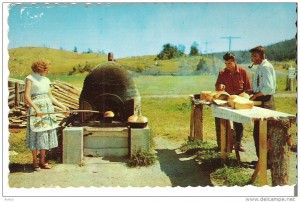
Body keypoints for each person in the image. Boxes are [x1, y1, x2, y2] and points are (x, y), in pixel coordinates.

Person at [24, 60, 70, 171]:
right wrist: (36, 109)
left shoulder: (46, 80)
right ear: (41, 68)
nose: (48, 71)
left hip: (47, 110)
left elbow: (50, 97)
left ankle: (42, 161)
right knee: (36, 135)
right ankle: (35, 162)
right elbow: (26, 96)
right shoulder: (30, 78)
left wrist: (62, 106)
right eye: (47, 69)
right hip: (37, 110)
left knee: (44, 135)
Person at [215, 52, 253, 151]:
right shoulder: (222, 73)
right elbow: (217, 86)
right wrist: (220, 87)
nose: (227, 66)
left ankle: (238, 142)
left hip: (239, 100)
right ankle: (224, 144)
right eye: (226, 64)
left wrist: (243, 97)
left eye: (229, 63)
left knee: (238, 122)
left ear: (234, 62)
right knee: (222, 119)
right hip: (227, 100)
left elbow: (249, 89)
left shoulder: (242, 72)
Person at [249, 46, 276, 158]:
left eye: (255, 56)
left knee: (263, 133)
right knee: (258, 133)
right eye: (252, 56)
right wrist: (252, 91)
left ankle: (265, 162)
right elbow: (260, 86)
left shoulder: (265, 67)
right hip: (261, 100)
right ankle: (261, 161)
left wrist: (255, 95)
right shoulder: (260, 67)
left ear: (262, 56)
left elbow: (268, 88)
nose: (253, 59)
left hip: (266, 102)